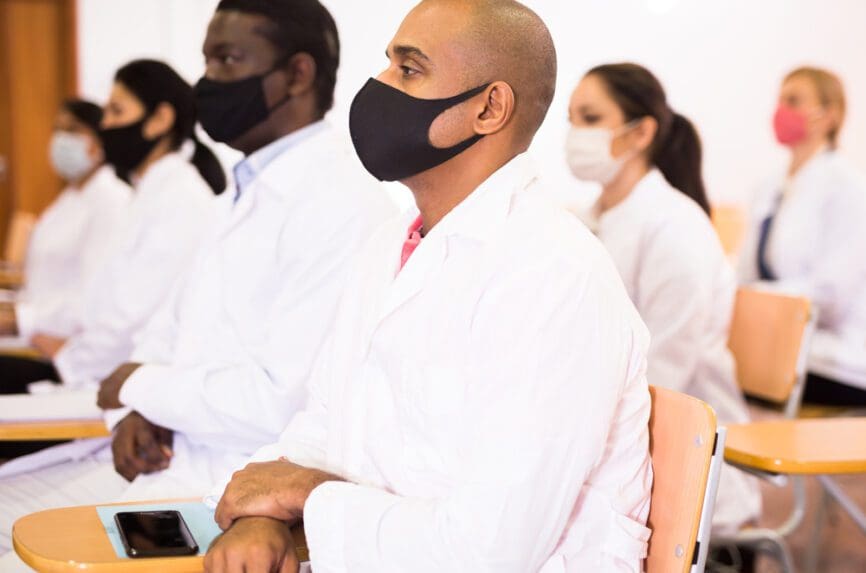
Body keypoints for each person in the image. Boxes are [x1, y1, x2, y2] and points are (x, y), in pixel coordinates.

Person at [205, 1, 653, 572]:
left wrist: (304, 495)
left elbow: (489, 551)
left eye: (408, 70)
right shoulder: (391, 244)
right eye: (387, 64)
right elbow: (324, 421)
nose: (378, 87)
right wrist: (262, 514)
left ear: (489, 108)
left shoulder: (554, 274)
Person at [0, 1, 394, 564]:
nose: (206, 81)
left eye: (227, 59)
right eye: (206, 60)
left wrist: (141, 389)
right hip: (168, 461)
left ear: (298, 75)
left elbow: (278, 401)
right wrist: (136, 410)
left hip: (230, 500)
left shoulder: (343, 207)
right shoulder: (238, 193)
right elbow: (162, 334)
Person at [564, 63, 760, 537]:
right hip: (613, 432)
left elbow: (667, 370)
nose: (574, 134)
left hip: (681, 452)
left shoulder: (676, 228)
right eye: (571, 119)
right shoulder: (588, 220)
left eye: (590, 118)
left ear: (641, 133)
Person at [0, 59, 222, 396]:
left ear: (160, 119)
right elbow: (99, 299)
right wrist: (27, 321)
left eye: (117, 112)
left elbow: (128, 321)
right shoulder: (147, 194)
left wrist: (66, 360)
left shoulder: (181, 202)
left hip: (117, 384)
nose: (105, 125)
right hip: (97, 371)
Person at [739, 66, 866, 406]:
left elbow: (830, 294)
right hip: (776, 345)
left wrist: (756, 300)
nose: (782, 111)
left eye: (794, 101)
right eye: (780, 100)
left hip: (835, 358)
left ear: (830, 115)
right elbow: (745, 273)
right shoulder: (769, 186)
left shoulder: (848, 188)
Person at [0, 99, 130, 385]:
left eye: (73, 130)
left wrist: (20, 320)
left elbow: (94, 296)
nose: (61, 140)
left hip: (71, 353)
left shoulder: (112, 202)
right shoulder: (67, 201)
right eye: (57, 130)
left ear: (100, 139)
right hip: (39, 337)